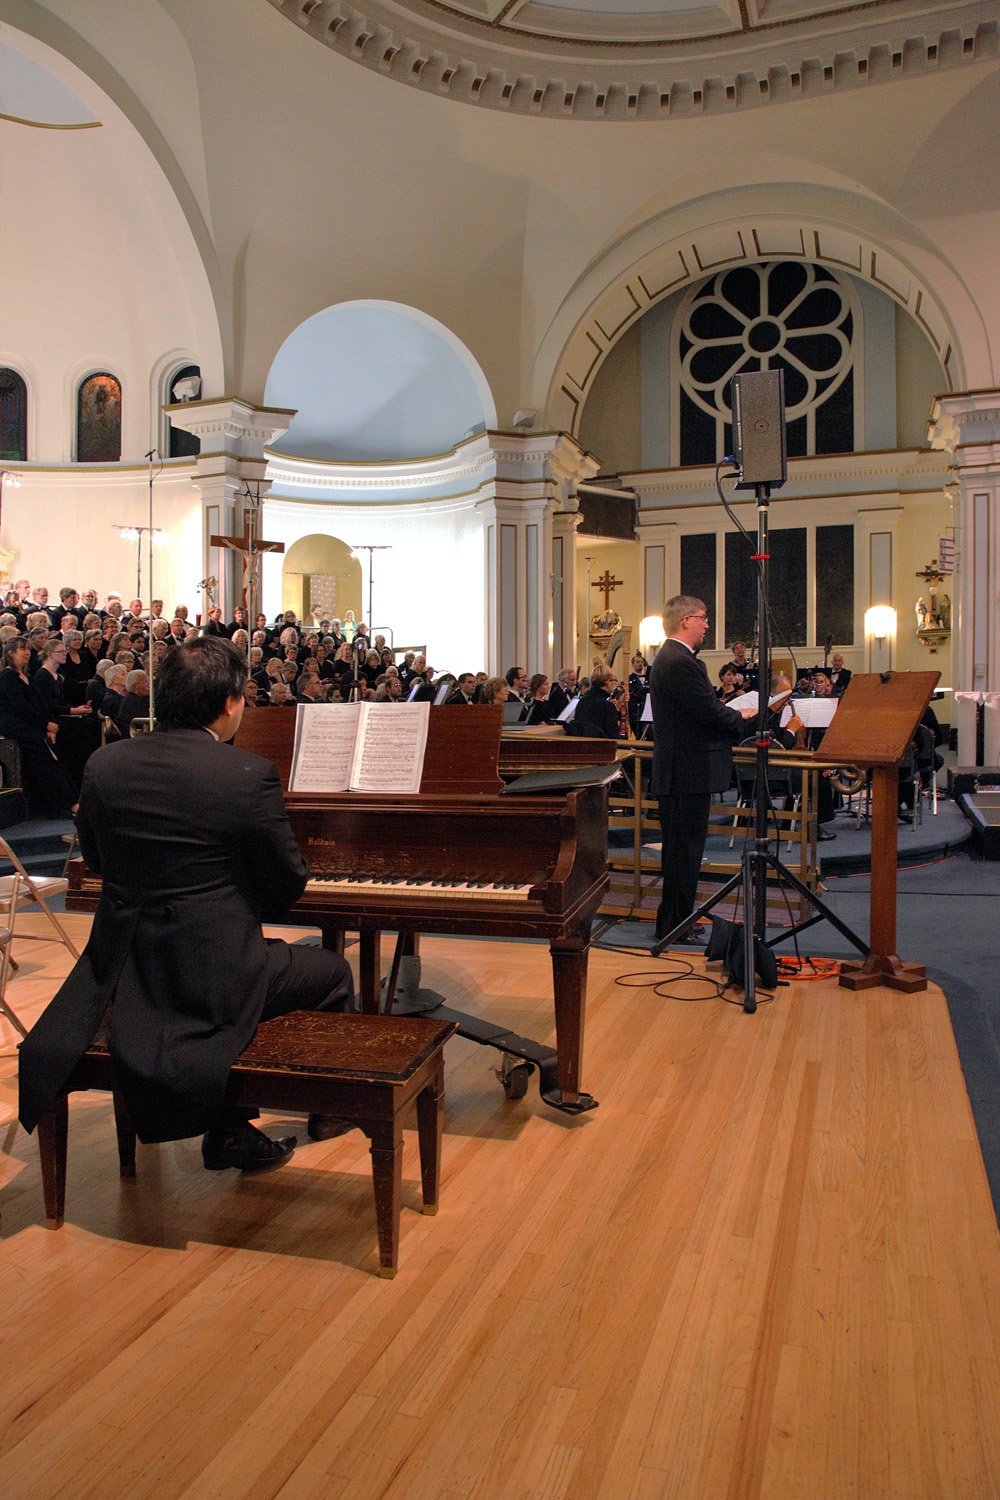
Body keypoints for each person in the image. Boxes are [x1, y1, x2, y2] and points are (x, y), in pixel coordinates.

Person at [18, 635, 355, 1170]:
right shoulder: (245, 774)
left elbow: (100, 863)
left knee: (262, 957)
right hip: (210, 974)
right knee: (334, 971)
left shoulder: (105, 764)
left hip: (126, 967)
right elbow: (287, 884)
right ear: (229, 702)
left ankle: (231, 1125)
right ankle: (326, 1111)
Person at [649, 596, 755, 945]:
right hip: (685, 771)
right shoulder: (679, 661)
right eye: (703, 617)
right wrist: (741, 717)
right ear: (684, 621)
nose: (707, 624)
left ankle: (677, 921)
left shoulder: (675, 658)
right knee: (683, 853)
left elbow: (699, 709)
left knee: (683, 852)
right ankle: (676, 925)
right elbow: (706, 713)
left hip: (684, 770)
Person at [0, 636, 76, 816]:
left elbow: (40, 704)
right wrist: (45, 725)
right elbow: (21, 707)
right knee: (44, 755)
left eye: (28, 648)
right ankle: (65, 804)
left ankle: (69, 801)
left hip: (32, 724)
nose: (27, 653)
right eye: (22, 649)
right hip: (14, 724)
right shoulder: (7, 676)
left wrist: (49, 725)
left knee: (58, 753)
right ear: (11, 653)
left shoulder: (27, 677)